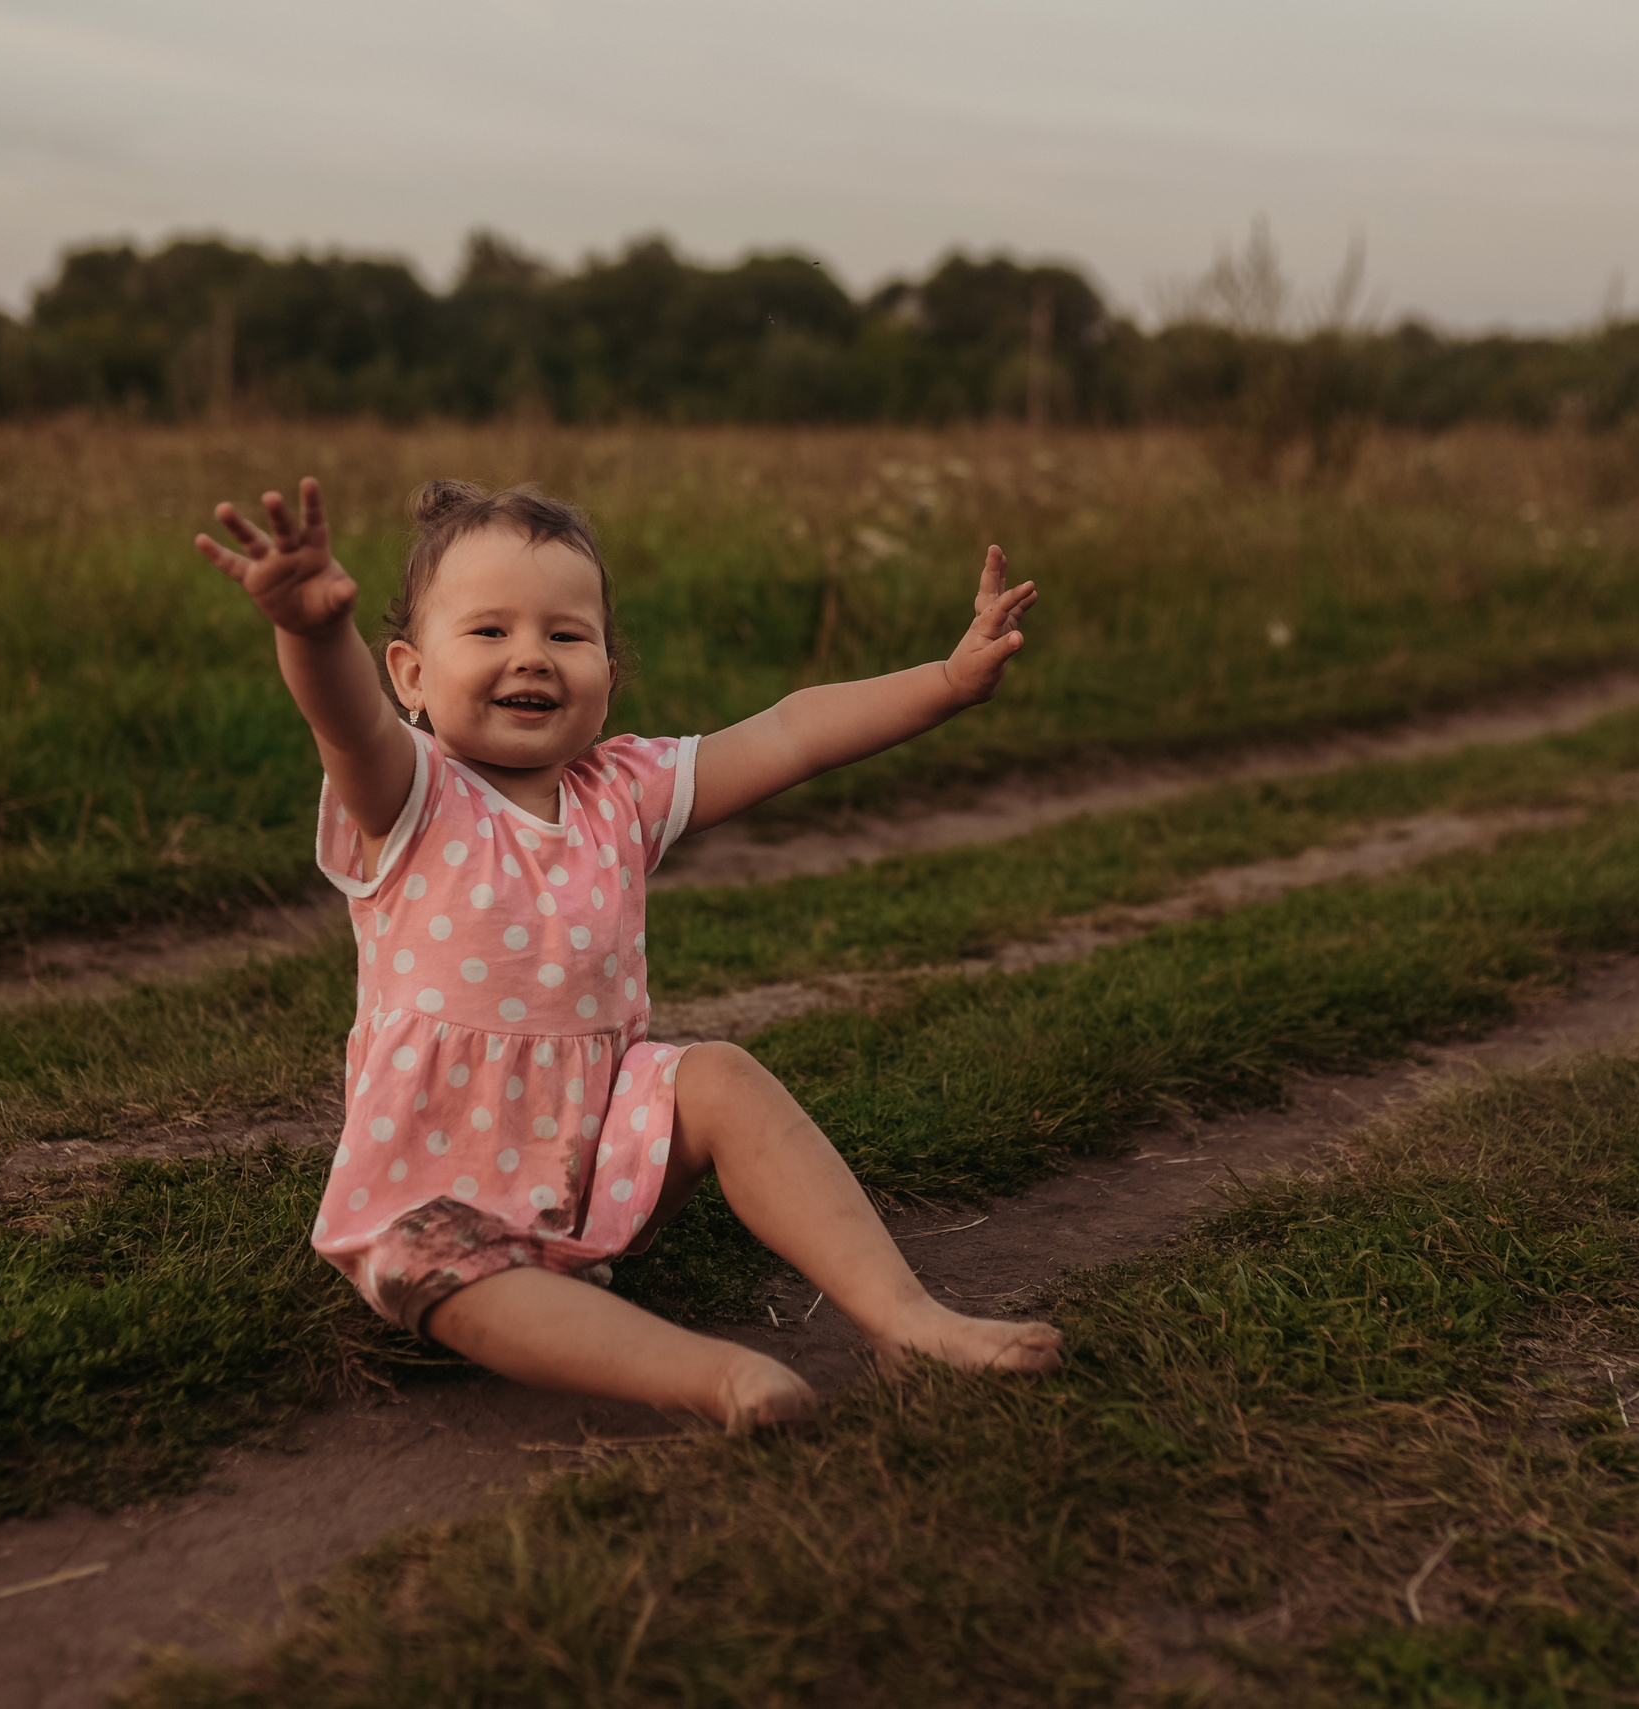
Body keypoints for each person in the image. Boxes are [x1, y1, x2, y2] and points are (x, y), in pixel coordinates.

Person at [196, 475, 1062, 1431]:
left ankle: (907, 1320)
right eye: (488, 632)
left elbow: (792, 732)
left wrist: (943, 682)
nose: (531, 655)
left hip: (595, 1159)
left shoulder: (621, 790)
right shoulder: (410, 796)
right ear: (408, 675)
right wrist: (313, 634)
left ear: (609, 674)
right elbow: (345, 723)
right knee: (449, 1278)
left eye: (566, 635)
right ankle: (713, 1375)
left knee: (720, 1075)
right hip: (440, 1199)